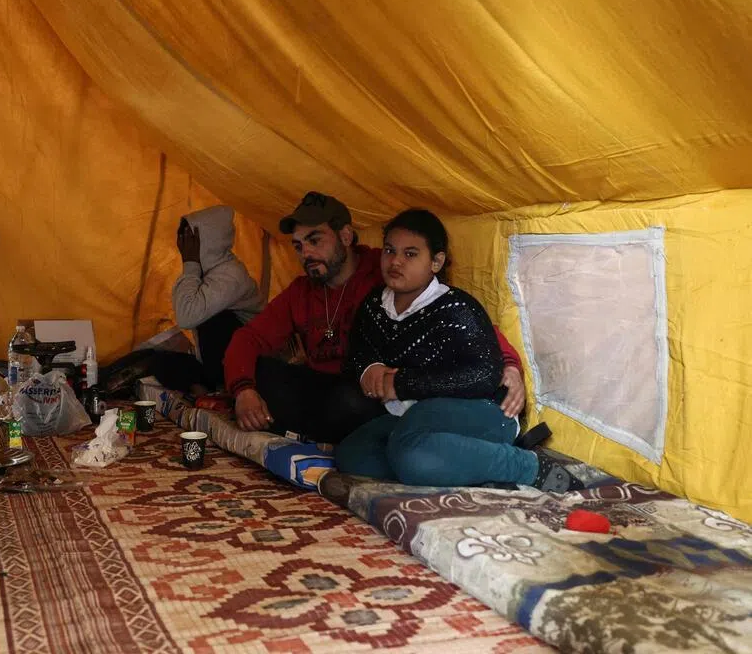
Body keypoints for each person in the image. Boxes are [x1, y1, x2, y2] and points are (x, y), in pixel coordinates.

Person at [223, 192, 526, 443]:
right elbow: (248, 338)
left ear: (345, 235)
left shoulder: (385, 272)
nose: (306, 254)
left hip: (373, 394)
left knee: (348, 403)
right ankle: (312, 430)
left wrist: (509, 364)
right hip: (326, 387)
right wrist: (244, 391)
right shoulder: (301, 291)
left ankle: (314, 432)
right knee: (261, 373)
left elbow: (452, 313)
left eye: (315, 241)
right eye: (299, 246)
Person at [334, 210, 583, 492]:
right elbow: (356, 352)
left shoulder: (456, 308)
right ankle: (458, 462)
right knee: (351, 454)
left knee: (410, 451)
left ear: (436, 262)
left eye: (411, 254)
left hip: (484, 411)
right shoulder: (374, 305)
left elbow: (484, 376)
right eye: (389, 251)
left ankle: (527, 466)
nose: (396, 261)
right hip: (414, 416)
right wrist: (369, 369)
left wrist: (400, 384)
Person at [151, 205, 265, 394]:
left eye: (189, 239)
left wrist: (190, 263)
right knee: (158, 360)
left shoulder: (232, 275)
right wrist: (192, 266)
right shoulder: (205, 270)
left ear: (209, 240)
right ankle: (204, 387)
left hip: (250, 363)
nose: (182, 245)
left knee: (213, 320)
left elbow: (186, 317)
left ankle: (220, 387)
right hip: (219, 361)